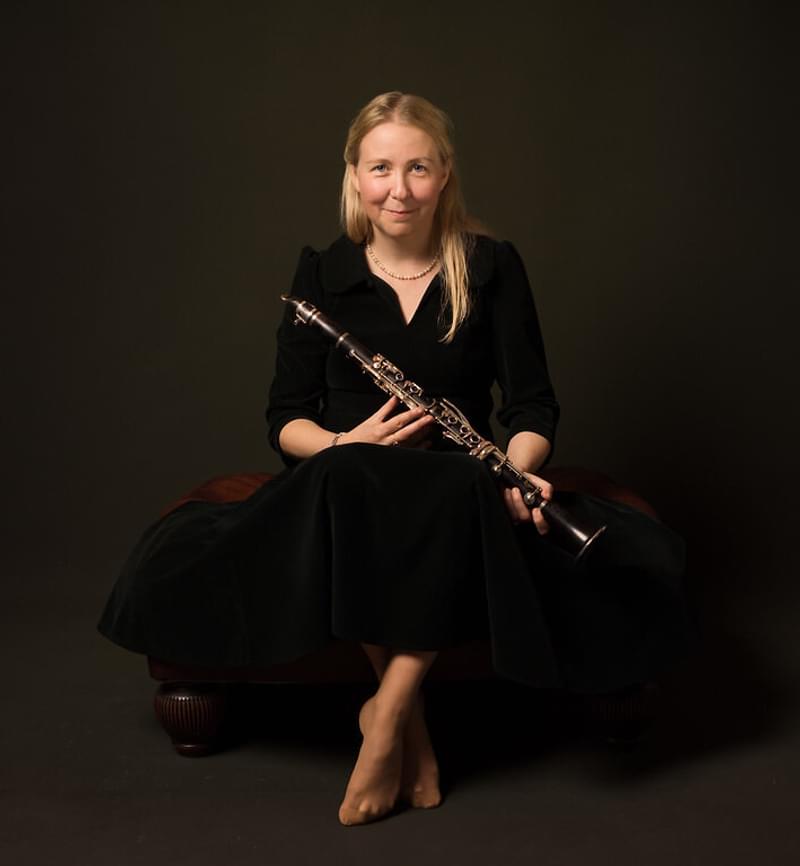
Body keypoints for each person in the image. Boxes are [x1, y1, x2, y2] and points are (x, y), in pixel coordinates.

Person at [98, 91, 690, 827]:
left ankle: (386, 715)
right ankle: (409, 731)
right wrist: (343, 442)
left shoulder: (491, 266)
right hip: (345, 478)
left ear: (445, 175)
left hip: (461, 483)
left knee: (458, 488)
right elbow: (286, 419)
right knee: (352, 477)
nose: (399, 189)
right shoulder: (322, 274)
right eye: (380, 168)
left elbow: (532, 405)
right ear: (354, 173)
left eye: (418, 167)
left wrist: (519, 468)